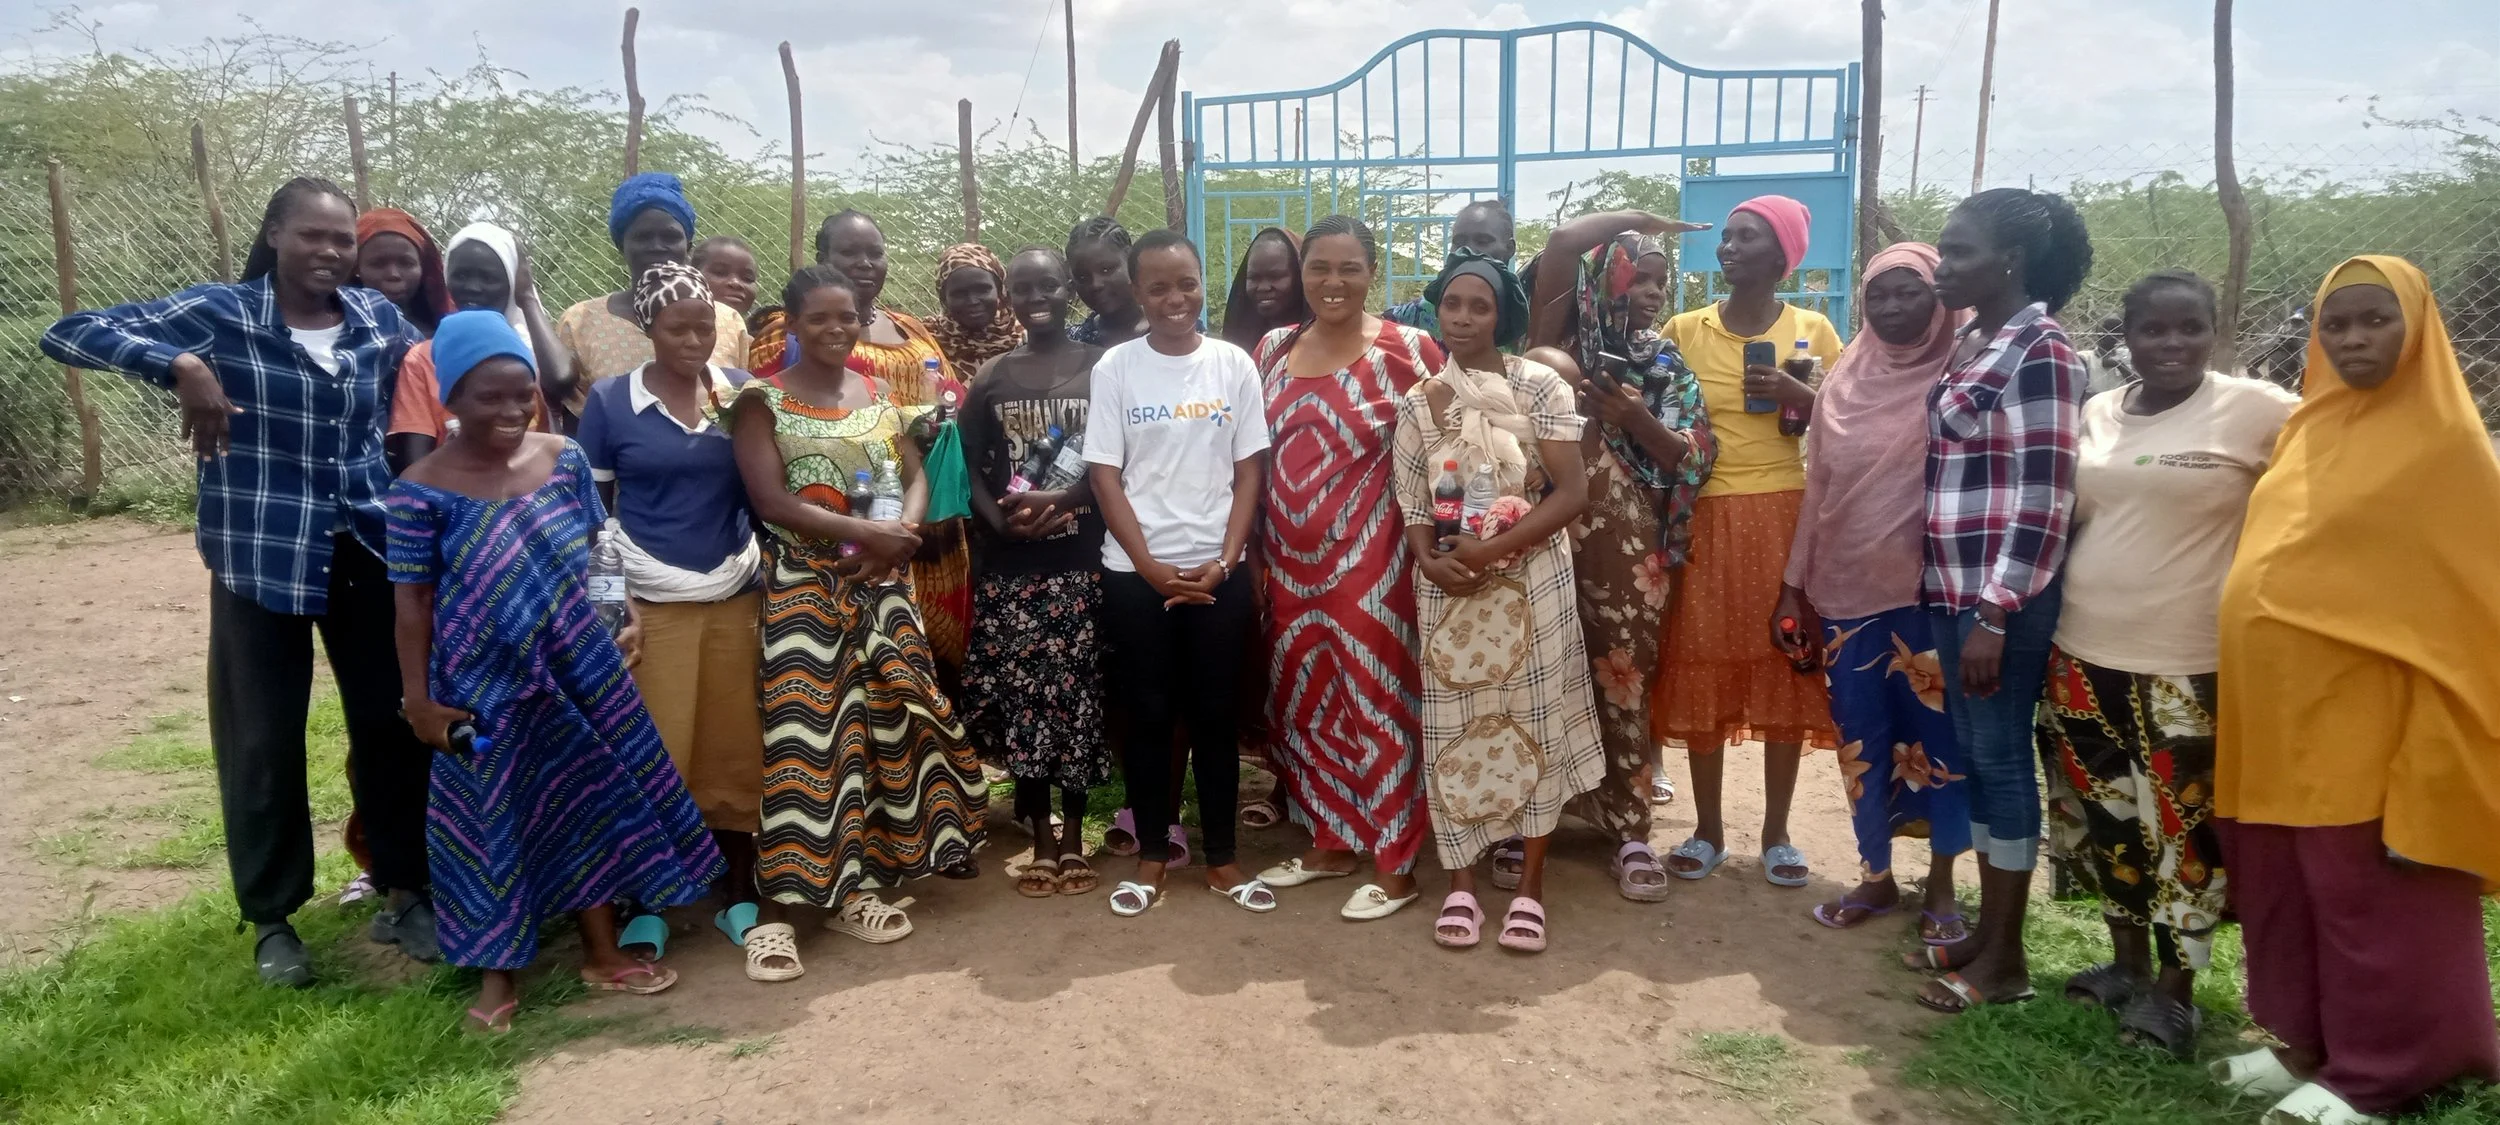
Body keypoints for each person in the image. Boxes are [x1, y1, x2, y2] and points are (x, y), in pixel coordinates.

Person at [40, 177, 438, 987]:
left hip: (365, 544)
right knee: (261, 734)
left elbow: (424, 389)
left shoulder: (377, 320)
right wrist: (178, 361)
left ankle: (408, 889)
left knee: (392, 722)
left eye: (341, 240)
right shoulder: (224, 313)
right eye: (312, 237)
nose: (329, 252)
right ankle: (273, 918)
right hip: (260, 551)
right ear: (275, 236)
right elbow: (69, 331)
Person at [2209, 255, 2500, 1123]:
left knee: (2362, 887)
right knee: (2282, 881)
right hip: (2274, 714)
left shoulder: (2447, 446)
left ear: (2418, 327)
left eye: (2376, 319)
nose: (2353, 338)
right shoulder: (2309, 425)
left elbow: (2472, 606)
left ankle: (2384, 1069)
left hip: (2369, 718)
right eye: (2336, 322)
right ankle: (2304, 1040)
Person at [386, 310, 723, 1033]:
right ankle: (498, 972)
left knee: (592, 795)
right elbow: (411, 603)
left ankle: (601, 951)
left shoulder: (563, 459)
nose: (511, 411)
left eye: (523, 394)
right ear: (449, 400)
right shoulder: (420, 489)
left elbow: (598, 541)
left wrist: (624, 607)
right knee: (487, 813)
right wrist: (419, 700)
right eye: (489, 397)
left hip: (581, 663)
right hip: (482, 680)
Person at [2038, 269, 2296, 1056]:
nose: (2172, 344)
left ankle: (2176, 990)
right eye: (2155, 329)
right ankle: (2124, 962)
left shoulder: (2260, 411)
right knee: (2103, 815)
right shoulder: (2097, 413)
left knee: (2186, 831)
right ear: (2128, 336)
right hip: (2083, 651)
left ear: (2214, 331)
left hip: (2190, 663)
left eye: (2190, 328)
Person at [728, 265, 987, 980]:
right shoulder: (761, 399)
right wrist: (869, 536)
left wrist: (901, 530)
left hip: (884, 593)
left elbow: (914, 473)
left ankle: (855, 887)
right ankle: (775, 915)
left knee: (886, 732)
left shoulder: (874, 393)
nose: (838, 328)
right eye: (821, 318)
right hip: (804, 596)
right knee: (806, 746)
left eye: (847, 317)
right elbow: (771, 499)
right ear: (791, 323)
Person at [1908, 187, 2092, 1014]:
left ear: (2010, 260)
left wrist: (1994, 608)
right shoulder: (1979, 339)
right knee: (1980, 760)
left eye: (1960, 252)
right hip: (1952, 585)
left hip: (1997, 601)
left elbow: (2044, 493)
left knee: (2002, 760)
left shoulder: (2043, 349)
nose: (1944, 266)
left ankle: (2007, 958)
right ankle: (1988, 933)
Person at [1397, 250, 1599, 953]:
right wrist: (1430, 556)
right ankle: (1460, 883)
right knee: (1454, 728)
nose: (1462, 318)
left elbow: (1572, 492)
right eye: (1452, 303)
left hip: (1531, 582)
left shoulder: (1540, 385)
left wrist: (1490, 551)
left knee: (1531, 723)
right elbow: (1413, 500)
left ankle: (1530, 888)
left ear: (1502, 315)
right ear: (1435, 308)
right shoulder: (1421, 402)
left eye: (1479, 306)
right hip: (1452, 592)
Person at [576, 261, 770, 956]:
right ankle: (651, 899)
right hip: (649, 602)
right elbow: (589, 515)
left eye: (705, 326)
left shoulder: (741, 394)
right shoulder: (609, 402)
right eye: (678, 327)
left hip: (733, 593)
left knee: (733, 746)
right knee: (657, 751)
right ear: (648, 327)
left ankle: (739, 890)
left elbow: (762, 495)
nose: (694, 340)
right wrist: (611, 605)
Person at [1522, 212, 1716, 903]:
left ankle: (1631, 828)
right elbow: (1561, 243)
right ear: (1606, 280)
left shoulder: (1665, 365)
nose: (1655, 292)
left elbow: (1696, 457)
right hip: (1539, 536)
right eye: (1641, 276)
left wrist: (1636, 418)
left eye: (1663, 280)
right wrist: (1639, 218)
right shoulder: (1553, 344)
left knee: (1623, 676)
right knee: (1541, 675)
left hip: (1627, 547)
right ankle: (1532, 822)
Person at [1780, 242, 1971, 942]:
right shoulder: (1844, 380)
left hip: (1931, 595)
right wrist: (1792, 585)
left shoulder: (1961, 376)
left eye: (1909, 292)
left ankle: (1943, 888)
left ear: (1941, 299)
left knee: (1940, 742)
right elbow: (1819, 489)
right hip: (1847, 591)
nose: (1891, 308)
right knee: (1864, 742)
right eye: (1878, 295)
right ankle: (1876, 875)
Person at [1652, 195, 1842, 888]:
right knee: (1703, 661)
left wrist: (1800, 392)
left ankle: (1778, 832)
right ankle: (1707, 830)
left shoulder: (1813, 328)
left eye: (1748, 237)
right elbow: (1662, 412)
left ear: (1783, 252)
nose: (1729, 248)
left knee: (1780, 661)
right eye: (1726, 237)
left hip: (1784, 512)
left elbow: (1844, 422)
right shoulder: (1685, 328)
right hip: (1703, 511)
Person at [1247, 215, 1434, 920]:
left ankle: (1396, 864)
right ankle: (1332, 839)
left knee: (1377, 702)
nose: (1333, 282)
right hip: (1288, 567)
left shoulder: (1408, 350)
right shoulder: (1271, 349)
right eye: (1319, 267)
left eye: (1349, 268)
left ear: (1372, 272)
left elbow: (1455, 434)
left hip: (1372, 563)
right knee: (1304, 700)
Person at [1082, 230, 1272, 918]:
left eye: (1186, 283)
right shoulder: (1117, 369)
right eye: (1158, 286)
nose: (1174, 298)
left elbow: (1249, 470)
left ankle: (1221, 858)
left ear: (1202, 283)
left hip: (1217, 573)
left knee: (1216, 717)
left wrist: (1224, 560)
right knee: (1151, 718)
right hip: (1137, 577)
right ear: (1137, 292)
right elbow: (1105, 476)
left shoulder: (1233, 365)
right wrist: (1152, 569)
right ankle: (1154, 857)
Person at [958, 247, 1109, 899]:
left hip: (1083, 563)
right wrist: (999, 522)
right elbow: (963, 466)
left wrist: (1066, 504)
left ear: (1067, 290)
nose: (1035, 295)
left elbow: (1116, 460)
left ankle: (1076, 836)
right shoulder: (991, 376)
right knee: (1027, 703)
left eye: (1048, 284)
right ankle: (1041, 838)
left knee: (1075, 699)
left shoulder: (1102, 368)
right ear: (1007, 299)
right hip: (1014, 570)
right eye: (1022, 287)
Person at [806, 210, 975, 688]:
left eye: (874, 252)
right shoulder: (794, 329)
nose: (864, 262)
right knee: (866, 649)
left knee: (939, 641)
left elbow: (949, 392)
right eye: (849, 252)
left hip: (928, 507)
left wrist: (939, 415)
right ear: (823, 258)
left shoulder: (912, 329)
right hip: (853, 507)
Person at [553, 172, 751, 422]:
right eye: (642, 237)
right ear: (620, 245)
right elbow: (574, 419)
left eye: (670, 237)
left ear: (688, 245)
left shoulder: (727, 320)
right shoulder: (580, 321)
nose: (657, 246)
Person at [384, 221, 567, 472]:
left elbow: (560, 379)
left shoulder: (532, 349)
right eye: (461, 275)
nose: (472, 287)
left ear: (511, 283)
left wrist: (526, 297)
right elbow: (417, 463)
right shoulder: (425, 358)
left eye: (488, 278)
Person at [1384, 198, 1519, 337]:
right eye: (1458, 242)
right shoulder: (1424, 312)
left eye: (1482, 241)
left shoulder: (1528, 314)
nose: (1468, 250)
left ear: (1509, 249)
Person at [353, 207, 453, 338]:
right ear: (356, 268)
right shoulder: (335, 331)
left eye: (406, 263)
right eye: (378, 264)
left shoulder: (447, 334)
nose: (393, 274)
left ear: (423, 267)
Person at [930, 242, 1026, 374]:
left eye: (982, 290)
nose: (972, 301)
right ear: (944, 299)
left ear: (1000, 290)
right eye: (959, 293)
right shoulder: (928, 342)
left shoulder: (1026, 340)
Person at [1220, 226, 1308, 353]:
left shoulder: (1322, 341)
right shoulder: (1236, 346)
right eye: (1253, 278)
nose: (1263, 288)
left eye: (1275, 276)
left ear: (1299, 275)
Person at [1066, 215, 1150, 347]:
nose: (1095, 284)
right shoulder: (1073, 344)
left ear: (1132, 261)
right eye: (1082, 277)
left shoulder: (1180, 331)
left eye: (1106, 270)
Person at [692, 235, 761, 316]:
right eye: (719, 272)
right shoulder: (676, 326)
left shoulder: (770, 327)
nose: (736, 283)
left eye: (747, 278)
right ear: (691, 276)